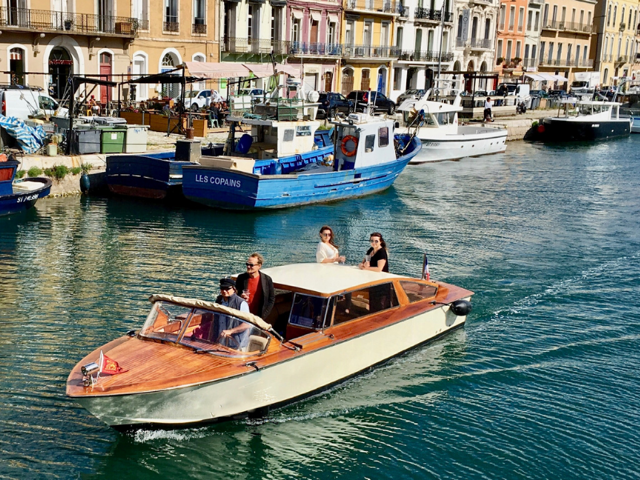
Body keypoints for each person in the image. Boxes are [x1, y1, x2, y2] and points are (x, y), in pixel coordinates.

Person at [236, 253, 275, 319]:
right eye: (247, 264)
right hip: (243, 315)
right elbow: (235, 295)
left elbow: (271, 299)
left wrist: (263, 316)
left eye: (251, 265)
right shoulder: (241, 278)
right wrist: (240, 296)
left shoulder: (267, 280)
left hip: (258, 317)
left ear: (259, 266)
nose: (248, 267)